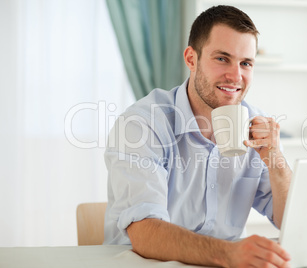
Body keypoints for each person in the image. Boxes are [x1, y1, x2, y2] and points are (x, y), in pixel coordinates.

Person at [104, 5, 292, 268]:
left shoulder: (256, 126)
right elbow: (145, 232)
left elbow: (292, 222)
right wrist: (229, 253)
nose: (236, 76)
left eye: (245, 63)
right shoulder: (142, 123)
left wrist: (276, 161)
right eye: (222, 58)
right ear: (191, 59)